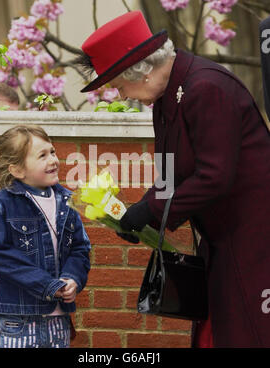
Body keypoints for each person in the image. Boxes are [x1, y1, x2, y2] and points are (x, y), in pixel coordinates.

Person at [76, 10, 270, 348]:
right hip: (219, 239)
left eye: (119, 86)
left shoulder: (206, 87)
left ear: (143, 71)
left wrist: (152, 209)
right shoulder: (164, 98)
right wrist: (138, 216)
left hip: (252, 237)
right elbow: (170, 171)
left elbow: (214, 177)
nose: (121, 95)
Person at [0, 125, 91, 348]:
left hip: (58, 320)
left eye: (53, 152)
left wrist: (72, 279)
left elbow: (80, 248)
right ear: (17, 170)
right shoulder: (4, 203)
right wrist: (46, 284)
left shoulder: (67, 202)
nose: (53, 160)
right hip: (18, 319)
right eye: (42, 155)